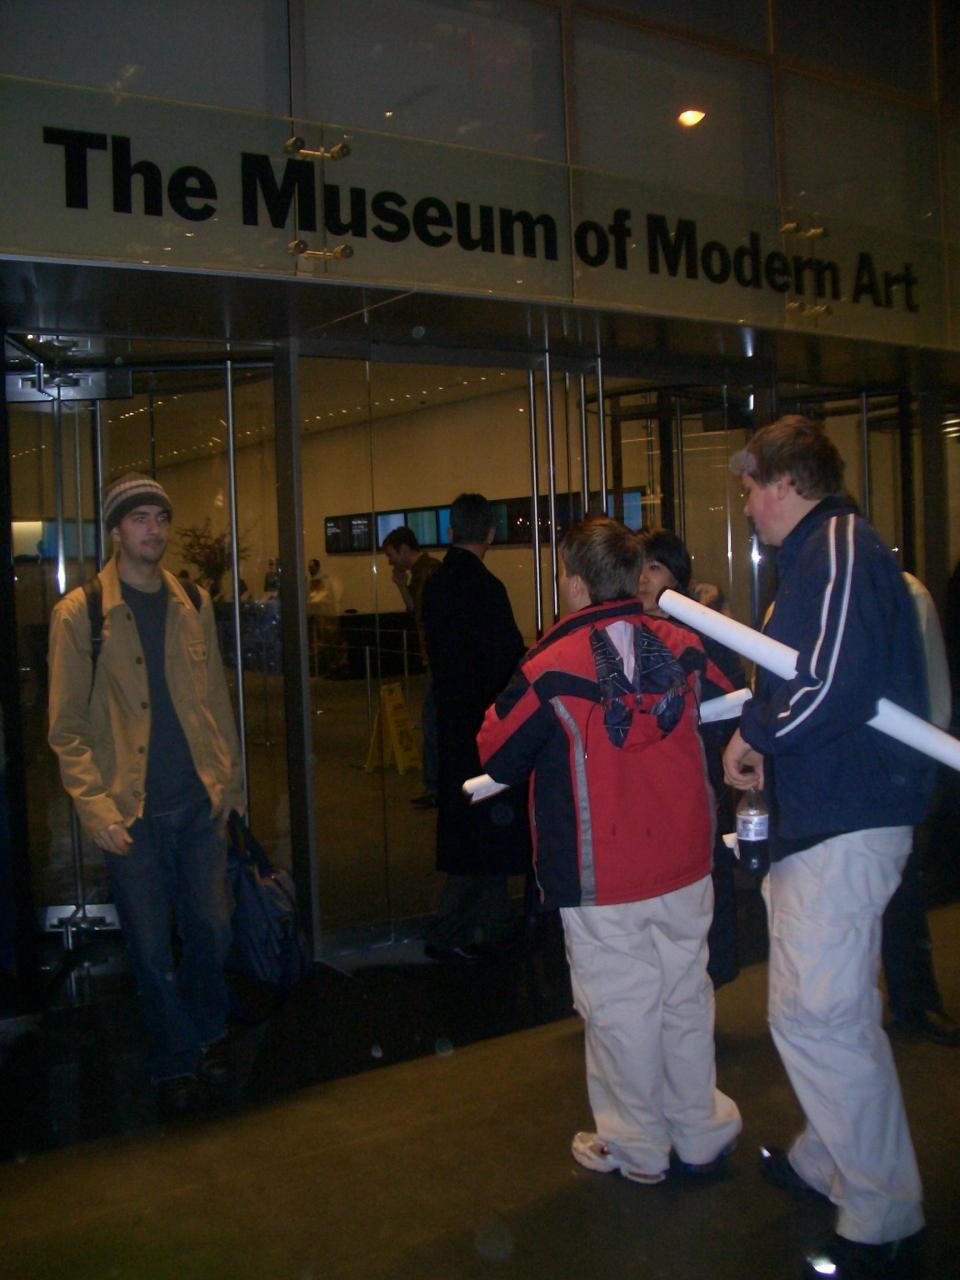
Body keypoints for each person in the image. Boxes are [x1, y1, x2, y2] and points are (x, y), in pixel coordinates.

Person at [723, 417, 934, 1280]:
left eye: (749, 488)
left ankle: (882, 1212)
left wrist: (760, 736)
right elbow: (796, 677)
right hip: (830, 814)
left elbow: (836, 684)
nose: (746, 507)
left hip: (847, 815)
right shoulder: (820, 556)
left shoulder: (838, 547)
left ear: (784, 482)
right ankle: (827, 1159)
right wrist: (758, 728)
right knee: (825, 1007)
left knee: (820, 1016)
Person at [477, 516, 741, 1183]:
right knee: (685, 998)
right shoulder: (684, 643)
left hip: (602, 873)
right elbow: (733, 702)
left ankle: (637, 1147)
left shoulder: (551, 665)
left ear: (573, 583)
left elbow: (496, 750)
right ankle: (699, 1131)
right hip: (686, 860)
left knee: (622, 1011)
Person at [48, 473, 245, 1118]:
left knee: (212, 930)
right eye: (139, 519)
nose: (154, 530)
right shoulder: (80, 613)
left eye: (160, 517)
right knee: (153, 949)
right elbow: (66, 729)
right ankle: (175, 1058)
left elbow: (215, 701)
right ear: (115, 531)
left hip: (197, 802)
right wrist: (97, 811)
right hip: (129, 813)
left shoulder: (192, 600)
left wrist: (230, 785)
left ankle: (207, 1034)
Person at [421, 493, 529, 960]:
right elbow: (507, 662)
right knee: (488, 828)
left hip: (450, 720)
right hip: (486, 727)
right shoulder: (488, 588)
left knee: (472, 828)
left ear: (450, 531)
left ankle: (491, 920)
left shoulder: (436, 585)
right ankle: (459, 927)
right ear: (490, 533)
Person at [638, 528, 744, 988]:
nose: (643, 578)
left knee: (702, 882)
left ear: (676, 575)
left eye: (654, 567)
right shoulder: (625, 630)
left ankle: (704, 978)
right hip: (647, 787)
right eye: (637, 567)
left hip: (696, 779)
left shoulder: (701, 630)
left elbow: (734, 697)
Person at [881, 572, 960, 1045]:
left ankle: (915, 997)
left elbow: (933, 683)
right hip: (830, 773)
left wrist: (927, 758)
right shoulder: (796, 590)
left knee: (901, 887)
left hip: (894, 765)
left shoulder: (906, 592)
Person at [381, 527, 441, 807]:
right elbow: (416, 612)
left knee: (431, 721)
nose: (390, 561)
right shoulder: (423, 572)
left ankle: (435, 786)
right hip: (435, 657)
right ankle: (435, 785)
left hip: (437, 658)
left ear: (404, 549)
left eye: (391, 555)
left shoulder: (428, 572)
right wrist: (400, 585)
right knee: (431, 720)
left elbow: (423, 616)